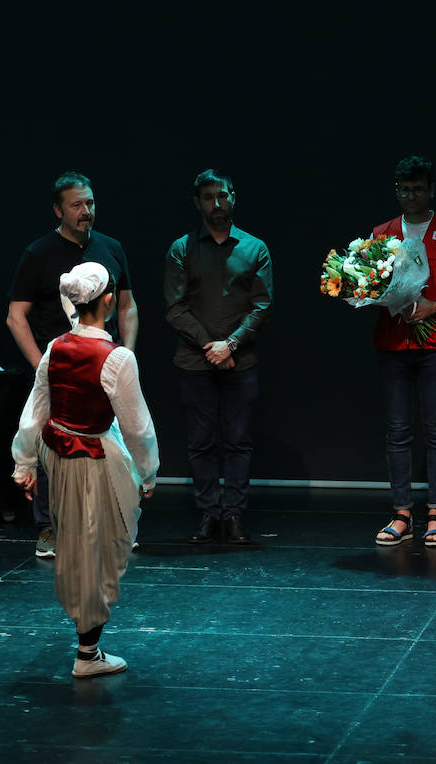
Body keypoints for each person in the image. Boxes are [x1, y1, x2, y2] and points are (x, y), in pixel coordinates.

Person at [11, 262, 159, 677]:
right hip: (93, 458)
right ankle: (88, 653)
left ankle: (87, 647)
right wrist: (148, 473)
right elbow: (138, 427)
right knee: (100, 544)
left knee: (77, 541)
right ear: (108, 301)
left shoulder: (55, 348)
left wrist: (24, 462)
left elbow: (35, 410)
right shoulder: (117, 358)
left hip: (57, 455)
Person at [7, 171, 137, 559]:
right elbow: (16, 316)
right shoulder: (39, 253)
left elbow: (128, 306)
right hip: (60, 365)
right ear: (58, 209)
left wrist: (125, 355)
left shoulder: (111, 247)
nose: (86, 211)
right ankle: (49, 527)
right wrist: (41, 367)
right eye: (77, 205)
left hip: (103, 363)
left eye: (90, 203)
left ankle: (115, 523)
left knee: (114, 444)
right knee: (53, 443)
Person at [163, 169, 273, 545]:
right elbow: (175, 308)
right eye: (208, 197)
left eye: (222, 196)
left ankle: (235, 515)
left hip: (240, 362)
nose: (217, 204)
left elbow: (261, 306)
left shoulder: (255, 248)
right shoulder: (181, 248)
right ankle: (209, 514)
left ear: (233, 196)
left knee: (239, 441)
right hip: (196, 363)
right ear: (197, 203)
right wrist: (212, 347)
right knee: (201, 442)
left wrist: (231, 345)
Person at [371, 155, 436, 547]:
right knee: (397, 430)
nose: (410, 195)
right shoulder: (382, 233)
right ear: (396, 190)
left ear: (430, 190)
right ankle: (401, 514)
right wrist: (382, 297)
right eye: (404, 189)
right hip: (394, 341)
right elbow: (370, 287)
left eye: (417, 188)